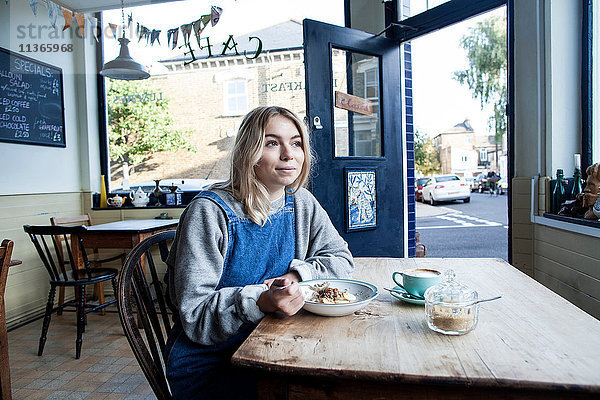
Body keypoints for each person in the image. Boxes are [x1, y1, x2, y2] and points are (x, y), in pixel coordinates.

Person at [164, 106, 355, 399]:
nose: (288, 154)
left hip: (278, 343)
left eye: (296, 142)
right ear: (249, 153)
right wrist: (261, 300)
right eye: (271, 142)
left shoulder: (302, 202)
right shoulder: (209, 212)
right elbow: (195, 315)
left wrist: (296, 275)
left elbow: (341, 258)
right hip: (213, 360)